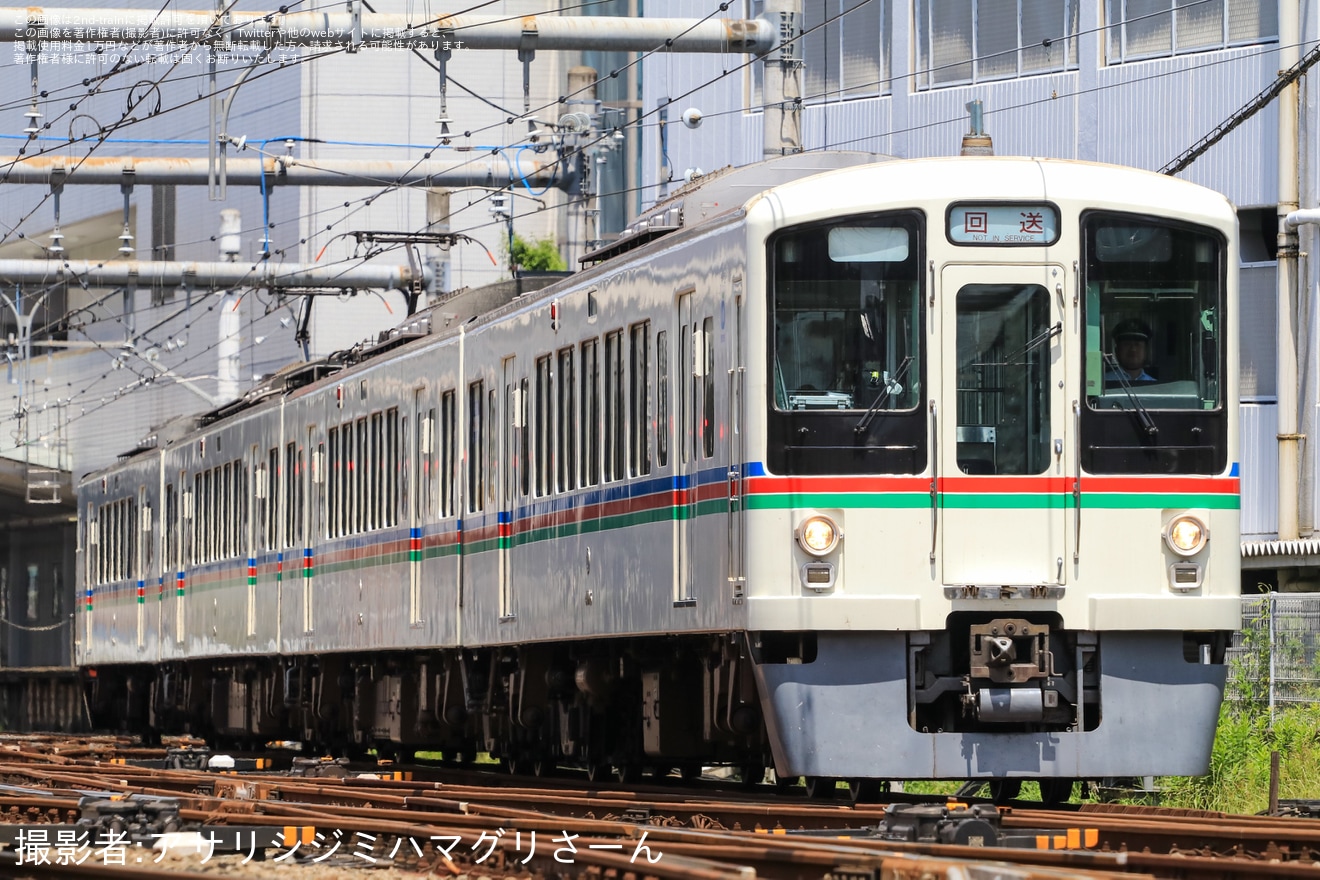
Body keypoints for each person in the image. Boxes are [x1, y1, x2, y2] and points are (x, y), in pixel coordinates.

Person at [1105, 319, 1156, 384]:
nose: (1133, 349)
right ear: (1117, 350)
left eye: (1137, 344)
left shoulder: (1155, 385)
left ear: (1146, 351)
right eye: (1127, 344)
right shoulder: (1103, 383)